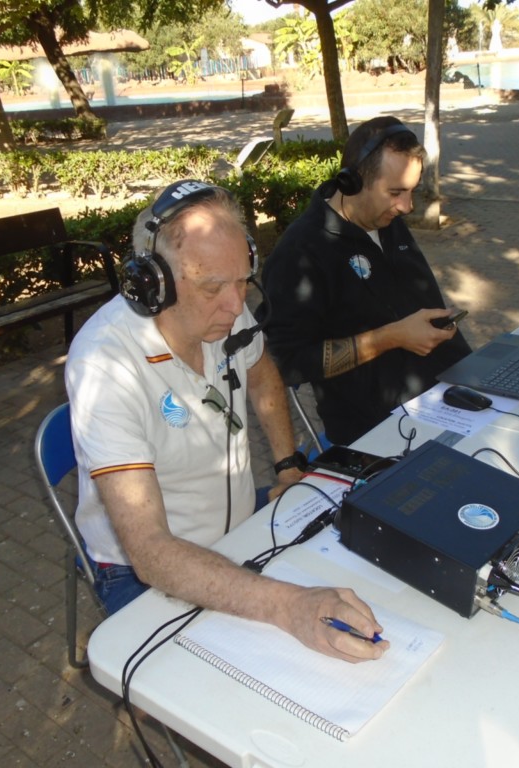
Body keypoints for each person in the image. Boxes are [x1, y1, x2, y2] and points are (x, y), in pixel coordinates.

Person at [64, 180, 388, 662]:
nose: (237, 306)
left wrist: (287, 464)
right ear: (153, 282)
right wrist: (288, 606)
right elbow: (151, 552)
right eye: (213, 286)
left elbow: (260, 373)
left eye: (241, 281)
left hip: (237, 528)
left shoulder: (225, 315)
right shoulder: (104, 365)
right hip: (142, 569)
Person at [260, 116, 472, 446]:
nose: (407, 206)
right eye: (395, 192)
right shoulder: (300, 254)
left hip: (453, 396)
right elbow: (288, 362)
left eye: (412, 191)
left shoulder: (387, 221)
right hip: (380, 431)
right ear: (353, 182)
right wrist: (392, 337)